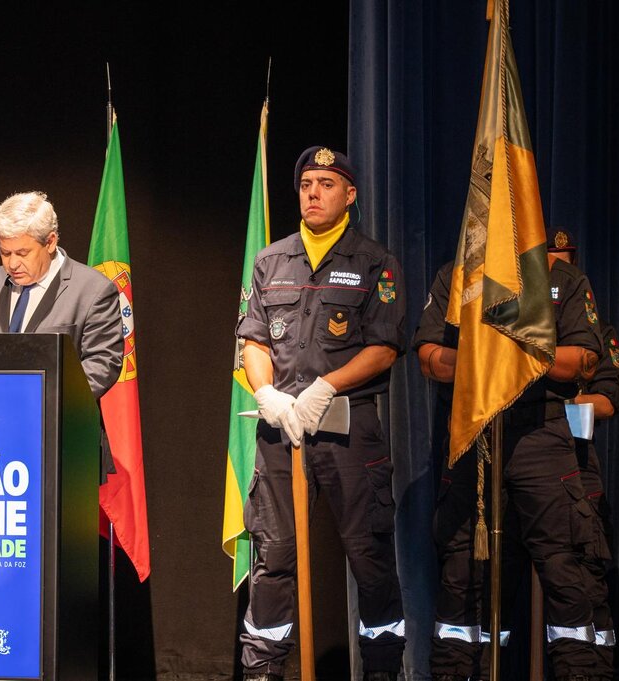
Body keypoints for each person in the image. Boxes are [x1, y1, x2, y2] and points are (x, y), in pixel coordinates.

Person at [236, 146, 407, 681]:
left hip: (348, 431)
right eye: (307, 183)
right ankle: (263, 671)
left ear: (349, 195)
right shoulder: (271, 260)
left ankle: (381, 671)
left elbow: (384, 348)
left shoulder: (375, 262)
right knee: (273, 557)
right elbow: (254, 341)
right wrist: (267, 392)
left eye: (326, 184)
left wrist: (326, 387)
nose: (313, 193)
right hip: (281, 429)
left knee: (369, 557)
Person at [415, 245, 605, 681]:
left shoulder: (562, 279)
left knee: (565, 570)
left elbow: (584, 361)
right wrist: (479, 353)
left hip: (542, 435)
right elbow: (428, 358)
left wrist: (518, 347)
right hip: (474, 434)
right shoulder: (457, 276)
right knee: (462, 570)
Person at [0, 191, 123, 399]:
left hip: (55, 413)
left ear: (50, 242)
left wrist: (41, 401)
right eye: (5, 253)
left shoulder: (93, 290)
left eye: (22, 253)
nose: (12, 264)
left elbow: (103, 363)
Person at [548, 228, 619, 678]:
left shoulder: (596, 331)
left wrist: (558, 405)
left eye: (566, 258)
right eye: (552, 257)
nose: (559, 266)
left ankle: (594, 668)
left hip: (576, 467)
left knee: (584, 577)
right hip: (526, 461)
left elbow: (609, 399)